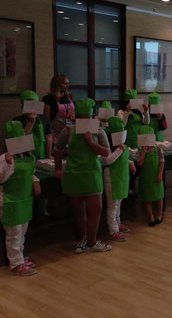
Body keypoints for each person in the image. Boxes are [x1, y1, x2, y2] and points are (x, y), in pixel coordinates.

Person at [54, 98, 112, 253]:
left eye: (87, 118)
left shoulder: (98, 130)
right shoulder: (68, 130)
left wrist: (91, 142)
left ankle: (91, 242)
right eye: (81, 118)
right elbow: (57, 149)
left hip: (92, 173)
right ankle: (83, 240)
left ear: (92, 116)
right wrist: (58, 169)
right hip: (74, 174)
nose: (84, 121)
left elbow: (106, 152)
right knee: (78, 211)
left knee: (96, 209)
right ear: (76, 116)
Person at [0, 121, 41, 275]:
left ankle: (20, 257)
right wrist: (9, 164)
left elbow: (30, 172)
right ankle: (16, 264)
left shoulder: (27, 155)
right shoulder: (4, 158)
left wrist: (35, 181)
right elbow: (1, 178)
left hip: (24, 199)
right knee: (14, 233)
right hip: (10, 201)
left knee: (22, 231)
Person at [102, 117, 136, 241]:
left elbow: (123, 158)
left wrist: (130, 162)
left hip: (121, 177)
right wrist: (118, 150)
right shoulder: (108, 145)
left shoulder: (122, 145)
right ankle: (113, 230)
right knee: (112, 205)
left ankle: (118, 223)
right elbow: (106, 160)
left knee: (119, 202)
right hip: (112, 178)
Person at [136, 125, 164, 226]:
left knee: (159, 196)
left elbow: (162, 162)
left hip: (156, 175)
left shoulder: (157, 148)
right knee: (147, 197)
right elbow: (139, 163)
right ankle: (150, 216)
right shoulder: (139, 150)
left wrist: (160, 174)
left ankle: (159, 215)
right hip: (145, 177)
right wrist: (143, 153)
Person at [15, 90, 52, 159]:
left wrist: (48, 156)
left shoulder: (44, 118)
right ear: (23, 107)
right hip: (25, 159)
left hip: (42, 157)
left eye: (34, 104)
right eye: (28, 105)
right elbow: (17, 145)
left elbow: (48, 137)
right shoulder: (17, 121)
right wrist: (31, 122)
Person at [42, 74, 75, 142]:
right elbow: (46, 120)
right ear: (57, 84)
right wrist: (51, 136)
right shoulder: (48, 99)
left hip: (69, 132)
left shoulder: (69, 97)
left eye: (68, 83)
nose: (68, 86)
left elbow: (73, 114)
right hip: (55, 134)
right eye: (65, 84)